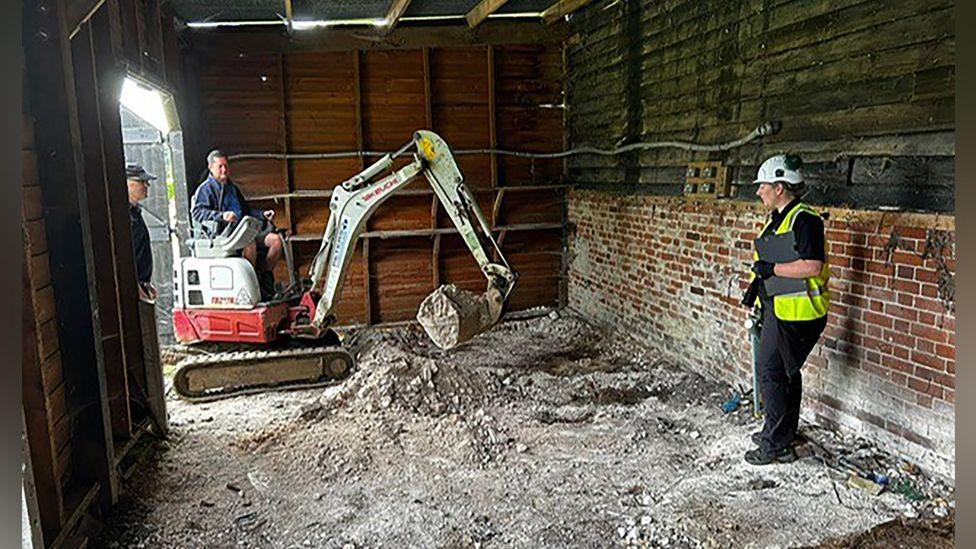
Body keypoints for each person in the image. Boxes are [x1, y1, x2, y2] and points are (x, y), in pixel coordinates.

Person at [745, 154, 830, 466]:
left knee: (772, 373)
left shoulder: (806, 220)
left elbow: (811, 266)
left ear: (779, 187)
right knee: (786, 373)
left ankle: (776, 443)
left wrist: (773, 268)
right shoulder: (779, 218)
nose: (759, 192)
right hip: (778, 309)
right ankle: (783, 432)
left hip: (798, 314)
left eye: (763, 186)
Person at [191, 149, 283, 299]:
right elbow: (198, 213)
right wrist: (222, 216)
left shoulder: (232, 188)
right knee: (250, 243)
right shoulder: (205, 189)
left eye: (226, 166)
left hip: (243, 231)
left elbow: (245, 211)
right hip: (225, 235)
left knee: (276, 241)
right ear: (210, 167)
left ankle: (263, 279)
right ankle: (251, 285)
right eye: (220, 166)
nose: (224, 170)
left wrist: (262, 215)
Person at [126, 163, 158, 301]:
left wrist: (146, 284)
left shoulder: (135, 212)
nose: (147, 185)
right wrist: (136, 287)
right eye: (141, 182)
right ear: (127, 184)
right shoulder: (123, 216)